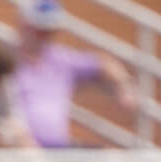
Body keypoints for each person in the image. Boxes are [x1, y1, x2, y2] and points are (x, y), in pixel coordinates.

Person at [11, 0, 131, 150]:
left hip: (58, 148)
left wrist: (125, 87)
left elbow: (106, 64)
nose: (45, 36)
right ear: (23, 25)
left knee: (110, 155)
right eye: (39, 30)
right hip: (20, 149)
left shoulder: (62, 60)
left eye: (49, 31)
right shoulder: (7, 62)